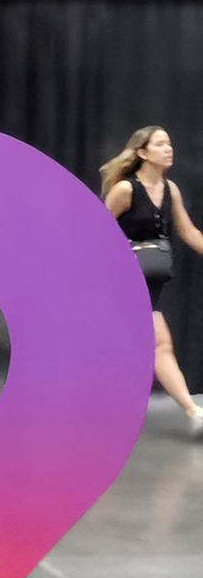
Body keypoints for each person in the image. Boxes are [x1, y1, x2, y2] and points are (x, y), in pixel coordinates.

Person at [101, 126, 203, 438]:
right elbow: (98, 231)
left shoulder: (170, 189)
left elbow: (188, 231)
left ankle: (193, 411)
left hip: (151, 286)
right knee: (157, 345)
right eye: (160, 144)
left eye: (169, 143)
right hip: (125, 281)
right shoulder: (125, 190)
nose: (168, 148)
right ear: (142, 152)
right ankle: (192, 410)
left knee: (155, 346)